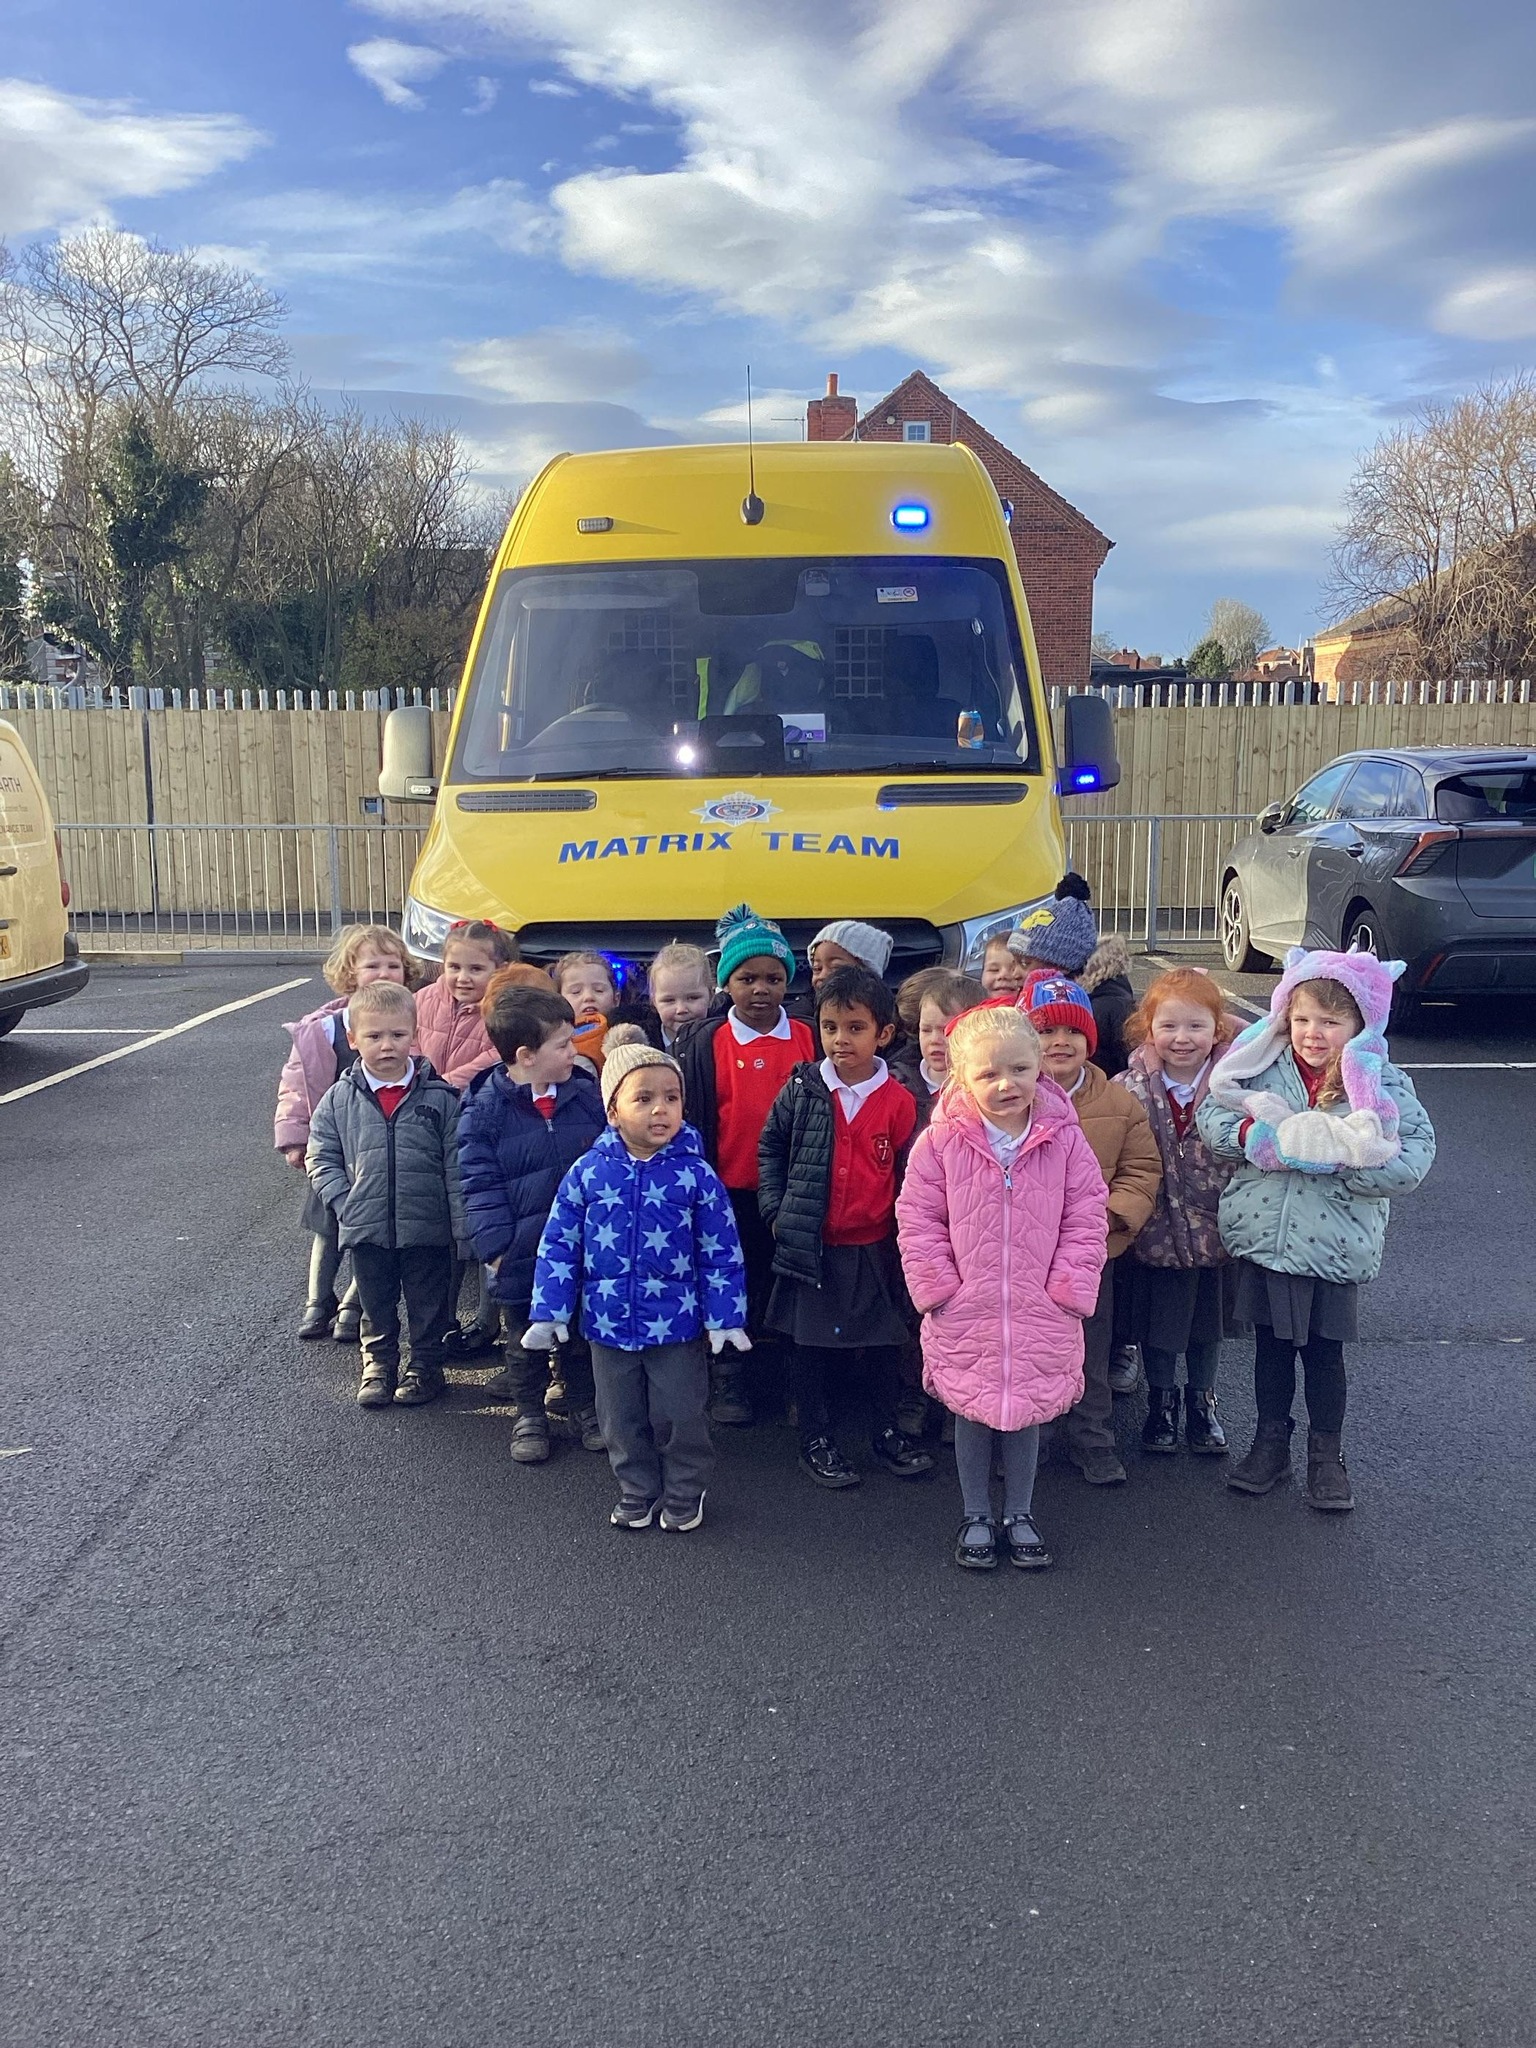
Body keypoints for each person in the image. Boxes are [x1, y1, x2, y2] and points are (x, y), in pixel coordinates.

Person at [1197, 947, 1435, 1511]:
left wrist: (1349, 1172)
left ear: (1359, 1024)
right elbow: (1214, 1115)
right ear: (1283, 1016)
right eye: (1301, 1018)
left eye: (1330, 1022)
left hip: (1332, 1244)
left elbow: (1417, 1151)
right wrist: (1257, 1140)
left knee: (1325, 1355)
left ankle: (1327, 1457)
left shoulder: (1378, 1082)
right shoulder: (1258, 1066)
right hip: (1267, 1240)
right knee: (1272, 1352)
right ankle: (1269, 1444)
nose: (1312, 1032)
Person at [896, 1001, 1108, 1571]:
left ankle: (1019, 1510)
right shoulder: (941, 1142)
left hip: (1043, 1304)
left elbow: (1088, 1212)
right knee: (972, 1409)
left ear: (1039, 1066)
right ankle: (975, 1512)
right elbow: (918, 1216)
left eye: (1018, 1069)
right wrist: (938, 1288)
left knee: (1027, 1412)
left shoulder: (1063, 1138)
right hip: (967, 1306)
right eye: (988, 1073)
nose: (1005, 1083)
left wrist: (1070, 1286)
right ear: (961, 1076)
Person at [526, 1030, 749, 1533]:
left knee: (680, 1414)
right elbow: (559, 1244)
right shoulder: (588, 1173)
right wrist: (550, 1310)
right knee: (619, 1419)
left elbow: (721, 1252)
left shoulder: (696, 1175)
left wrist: (725, 1317)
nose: (660, 1110)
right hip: (606, 1325)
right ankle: (636, 1488)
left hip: (676, 1325)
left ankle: (685, 1490)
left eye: (671, 1098)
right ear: (612, 1111)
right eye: (643, 1098)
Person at [757, 965, 934, 1488]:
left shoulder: (900, 1102)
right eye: (830, 1027)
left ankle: (884, 1430)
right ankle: (815, 1436)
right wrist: (775, 1210)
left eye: (855, 1028)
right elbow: (770, 1148)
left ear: (883, 1034)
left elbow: (910, 1169)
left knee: (881, 1343)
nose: (840, 1040)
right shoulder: (803, 1090)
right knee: (808, 1347)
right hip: (812, 1245)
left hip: (873, 1247)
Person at [674, 903, 817, 1425]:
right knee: (730, 1281)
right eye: (747, 977)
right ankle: (729, 1374)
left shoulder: (808, 1036)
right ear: (725, 982)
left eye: (775, 978)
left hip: (795, 1192)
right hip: (728, 1190)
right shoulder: (706, 1040)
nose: (761, 989)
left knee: (790, 1285)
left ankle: (789, 1378)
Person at [1021, 972, 1161, 1485]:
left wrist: (1106, 1219)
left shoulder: (1118, 1102)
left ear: (1089, 1041)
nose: (1060, 1043)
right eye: (1045, 1031)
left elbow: (1142, 1170)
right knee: (1033, 1350)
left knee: (1089, 1350)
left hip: (1089, 1256)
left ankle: (1093, 1438)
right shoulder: (1010, 1095)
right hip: (1024, 1256)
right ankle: (1034, 1439)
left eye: (1073, 1033)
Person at [457, 983, 607, 1462]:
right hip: (522, 1252)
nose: (573, 1051)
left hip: (581, 1250)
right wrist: (497, 1248)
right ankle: (529, 1415)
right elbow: (478, 1185)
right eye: (562, 1044)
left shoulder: (586, 1097)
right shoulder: (485, 1109)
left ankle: (584, 1407)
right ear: (525, 1055)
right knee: (524, 1339)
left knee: (580, 1337)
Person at [305, 980, 465, 1408]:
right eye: (374, 1036)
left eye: (397, 1035)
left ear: (414, 1035)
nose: (387, 1045)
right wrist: (344, 1201)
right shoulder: (339, 1099)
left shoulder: (441, 1097)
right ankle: (378, 1365)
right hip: (366, 1226)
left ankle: (425, 1368)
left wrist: (459, 1224)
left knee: (427, 1304)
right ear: (353, 1039)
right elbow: (321, 1155)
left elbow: (456, 1163)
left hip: (427, 1227)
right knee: (375, 1303)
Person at [1116, 969, 1240, 1454]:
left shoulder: (1235, 1087)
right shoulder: (1130, 1089)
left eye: (1195, 1026)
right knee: (1160, 1325)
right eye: (1169, 1026)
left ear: (1218, 1030)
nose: (1182, 1038)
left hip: (1216, 1231)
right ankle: (1160, 1403)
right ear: (1149, 1030)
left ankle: (1202, 1403)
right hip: (1157, 1232)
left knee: (1209, 1327)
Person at [274, 922, 417, 1342]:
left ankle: (354, 1306)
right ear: (350, 972)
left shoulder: (406, 1023)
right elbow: (297, 1084)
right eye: (372, 964)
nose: (384, 972)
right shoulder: (322, 1028)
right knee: (327, 1227)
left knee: (371, 1233)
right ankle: (318, 1302)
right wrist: (294, 1136)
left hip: (384, 1147)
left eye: (393, 964)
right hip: (334, 1145)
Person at [415, 919, 521, 1358]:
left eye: (475, 969)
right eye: (453, 966)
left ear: (500, 969)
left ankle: (486, 1317)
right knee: (438, 1227)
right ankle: (442, 1319)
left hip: (475, 1128)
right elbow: (407, 1043)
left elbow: (492, 1060)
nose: (462, 978)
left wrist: (433, 1087)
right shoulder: (424, 1001)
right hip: (425, 1129)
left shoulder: (502, 1011)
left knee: (478, 1226)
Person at [1007, 873, 1136, 1076]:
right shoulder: (1032, 998)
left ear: (1062, 964)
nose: (1013, 973)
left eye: (1025, 963)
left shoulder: (1106, 1009)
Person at [890, 968, 986, 1135]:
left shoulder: (985, 1090)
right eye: (926, 1030)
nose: (934, 1039)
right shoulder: (896, 1083)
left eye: (946, 1030)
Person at [647, 941, 713, 1048]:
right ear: (654, 1001)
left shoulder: (724, 1044)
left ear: (711, 995)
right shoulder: (641, 1045)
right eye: (669, 1000)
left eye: (692, 998)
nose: (681, 1009)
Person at [807, 919, 894, 990]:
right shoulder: (801, 1010)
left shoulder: (884, 1010)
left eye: (836, 968)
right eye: (817, 968)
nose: (823, 975)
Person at [980, 934, 1026, 998]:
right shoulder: (971, 1005)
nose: (1003, 975)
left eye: (1013, 970)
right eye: (994, 970)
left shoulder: (1039, 1006)